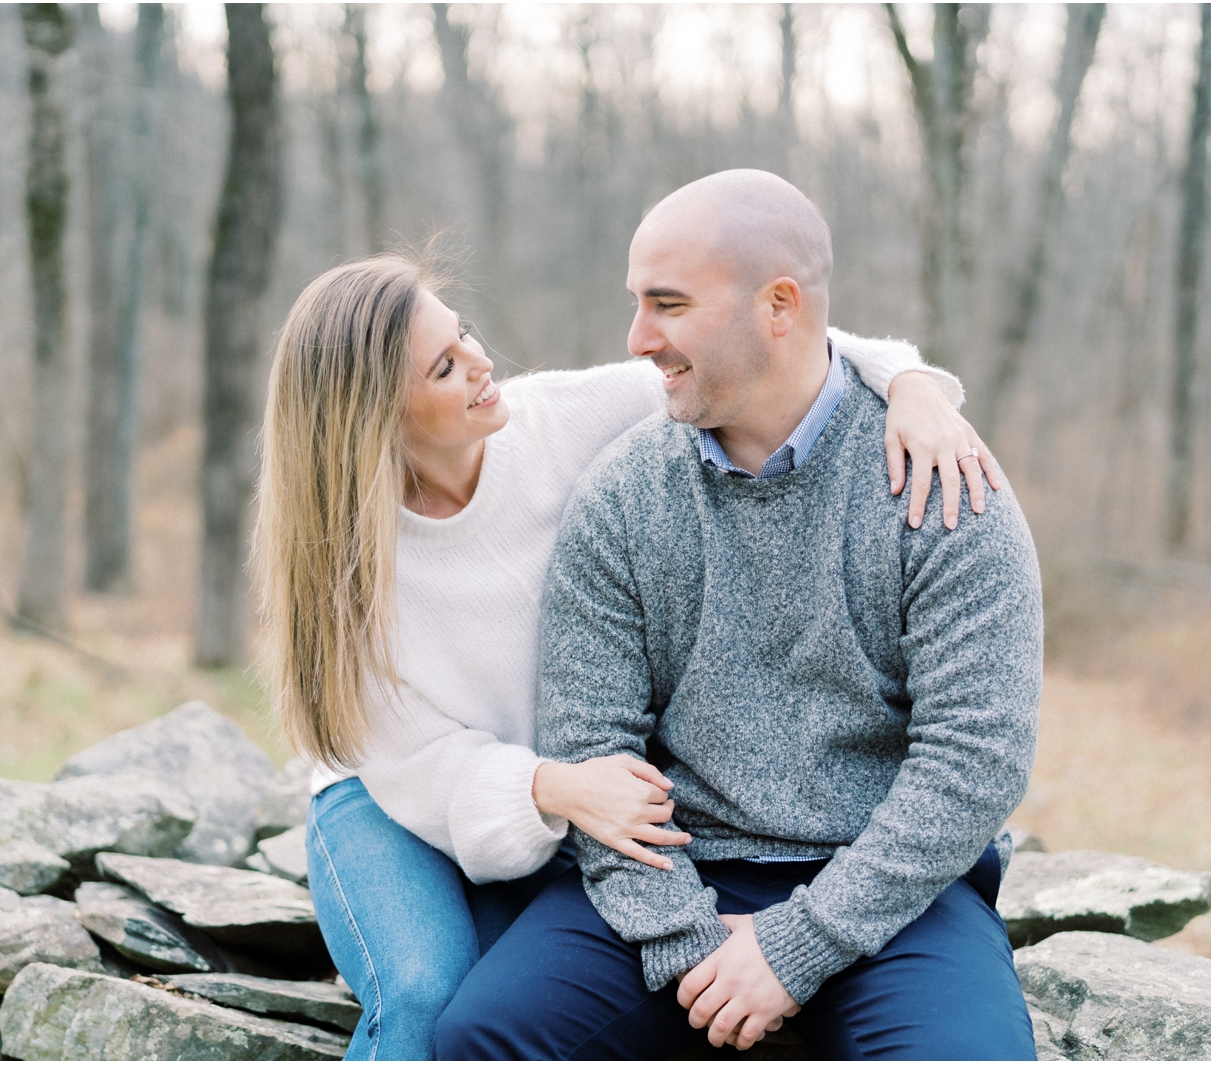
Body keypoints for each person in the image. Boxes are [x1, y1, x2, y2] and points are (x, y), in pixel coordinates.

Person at [253, 246, 997, 1061]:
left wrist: (913, 387)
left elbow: (757, 360)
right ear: (374, 416)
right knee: (429, 995)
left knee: (517, 1002)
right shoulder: (345, 562)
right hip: (398, 801)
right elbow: (415, 763)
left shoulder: (556, 421)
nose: (479, 363)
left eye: (463, 333)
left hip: (574, 808)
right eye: (443, 367)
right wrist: (556, 784)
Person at [431, 170, 1042, 1061]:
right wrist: (691, 948)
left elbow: (976, 757)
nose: (637, 339)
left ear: (779, 307)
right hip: (673, 874)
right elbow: (592, 749)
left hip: (893, 892)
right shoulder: (623, 494)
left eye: (667, 305)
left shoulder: (944, 486)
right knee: (481, 1038)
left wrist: (799, 947)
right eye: (637, 303)